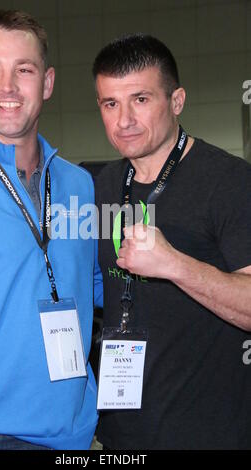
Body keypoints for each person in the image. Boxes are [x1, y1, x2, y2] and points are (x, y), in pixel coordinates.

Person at [0, 10, 102, 450]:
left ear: (48, 83)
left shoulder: (78, 184)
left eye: (25, 69)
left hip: (77, 431)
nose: (9, 86)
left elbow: (94, 284)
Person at [93, 33, 251, 450]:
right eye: (111, 103)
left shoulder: (229, 181)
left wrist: (174, 265)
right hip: (121, 435)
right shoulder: (105, 184)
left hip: (208, 434)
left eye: (141, 99)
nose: (124, 118)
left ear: (177, 101)